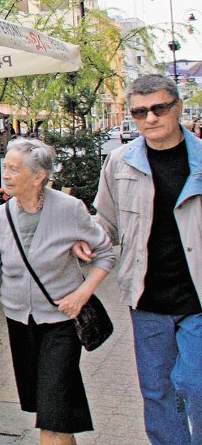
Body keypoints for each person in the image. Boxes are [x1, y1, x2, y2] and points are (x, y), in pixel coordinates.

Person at [0, 138, 115, 445]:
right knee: (53, 414)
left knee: (52, 416)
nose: (5, 174)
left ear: (38, 176)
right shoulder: (1, 217)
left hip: (61, 323)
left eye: (14, 169)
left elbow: (106, 254)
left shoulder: (69, 209)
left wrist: (82, 293)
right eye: (5, 166)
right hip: (20, 325)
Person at [77, 74, 202, 445]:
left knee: (194, 385)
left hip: (197, 296)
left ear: (177, 107)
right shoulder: (120, 163)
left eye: (159, 108)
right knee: (157, 392)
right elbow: (106, 223)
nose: (150, 118)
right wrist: (86, 239)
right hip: (146, 298)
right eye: (140, 111)